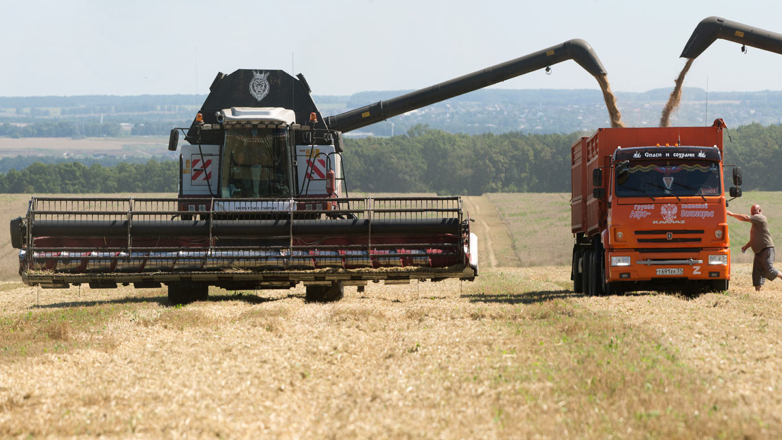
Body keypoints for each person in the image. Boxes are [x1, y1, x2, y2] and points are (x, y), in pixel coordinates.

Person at [727, 204, 782, 291]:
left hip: (766, 249)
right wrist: (746, 247)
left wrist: (732, 214)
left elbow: (746, 218)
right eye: (751, 210)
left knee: (769, 270)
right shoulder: (755, 223)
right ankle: (758, 292)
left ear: (759, 211)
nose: (752, 212)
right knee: (757, 272)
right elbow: (754, 238)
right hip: (758, 251)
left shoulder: (760, 218)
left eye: (754, 210)